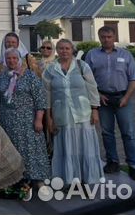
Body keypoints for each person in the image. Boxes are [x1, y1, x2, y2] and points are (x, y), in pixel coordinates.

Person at [85, 25, 135, 181]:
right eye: (103, 37)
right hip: (103, 99)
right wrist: (98, 95)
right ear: (99, 37)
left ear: (114, 37)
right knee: (107, 133)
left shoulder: (126, 55)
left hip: (123, 98)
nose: (106, 40)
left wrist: (126, 98)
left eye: (109, 37)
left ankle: (134, 166)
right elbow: (86, 79)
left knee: (128, 133)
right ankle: (113, 162)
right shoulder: (92, 55)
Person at [43, 38, 103, 185]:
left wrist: (95, 109)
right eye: (61, 48)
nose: (64, 51)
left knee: (85, 147)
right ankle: (68, 180)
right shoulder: (50, 69)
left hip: (83, 114)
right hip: (61, 115)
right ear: (57, 51)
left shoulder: (82, 66)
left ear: (72, 50)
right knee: (66, 147)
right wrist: (49, 118)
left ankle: (89, 180)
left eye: (67, 48)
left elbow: (92, 88)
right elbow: (46, 94)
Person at [0, 47, 49, 184]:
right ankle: (17, 179)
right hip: (8, 120)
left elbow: (40, 100)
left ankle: (37, 179)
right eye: (9, 58)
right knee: (12, 150)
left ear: (20, 60)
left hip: (27, 120)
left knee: (31, 149)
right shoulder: (3, 77)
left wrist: (39, 120)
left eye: (14, 58)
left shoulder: (30, 76)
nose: (11, 61)